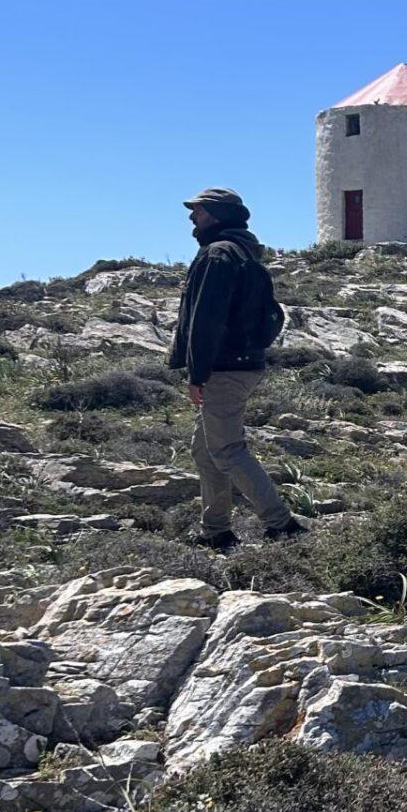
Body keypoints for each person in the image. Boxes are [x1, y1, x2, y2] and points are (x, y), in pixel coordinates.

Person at [169, 188, 305, 551]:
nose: (191, 217)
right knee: (204, 449)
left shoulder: (217, 255)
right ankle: (216, 531)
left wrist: (196, 373)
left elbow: (206, 320)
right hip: (244, 363)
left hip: (224, 368)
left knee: (227, 449)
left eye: (196, 210)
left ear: (214, 214)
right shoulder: (244, 252)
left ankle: (284, 527)